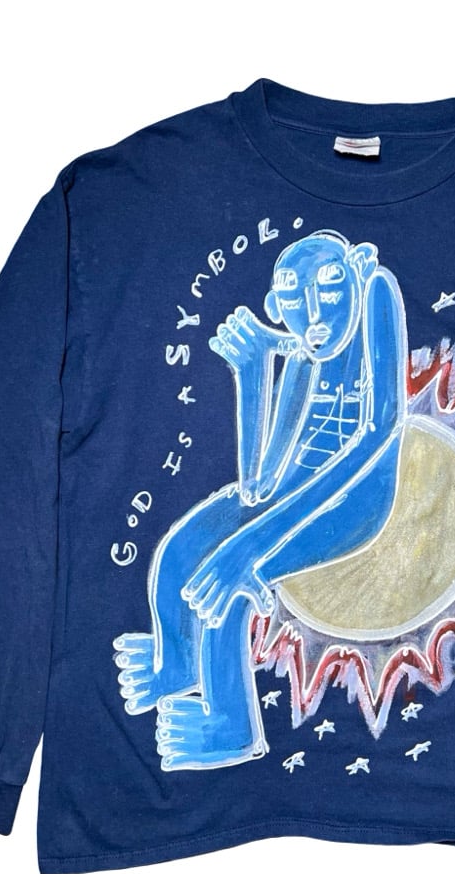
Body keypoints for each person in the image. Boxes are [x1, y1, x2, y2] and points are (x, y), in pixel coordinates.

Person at [114, 230, 408, 769]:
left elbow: (379, 429)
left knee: (227, 583)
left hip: (358, 500)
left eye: (330, 290)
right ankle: (178, 665)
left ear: (357, 272)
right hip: (296, 490)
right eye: (296, 302)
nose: (315, 316)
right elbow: (258, 486)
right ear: (278, 307)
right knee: (180, 549)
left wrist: (249, 545)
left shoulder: (376, 290)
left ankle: (232, 728)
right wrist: (252, 373)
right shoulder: (303, 354)